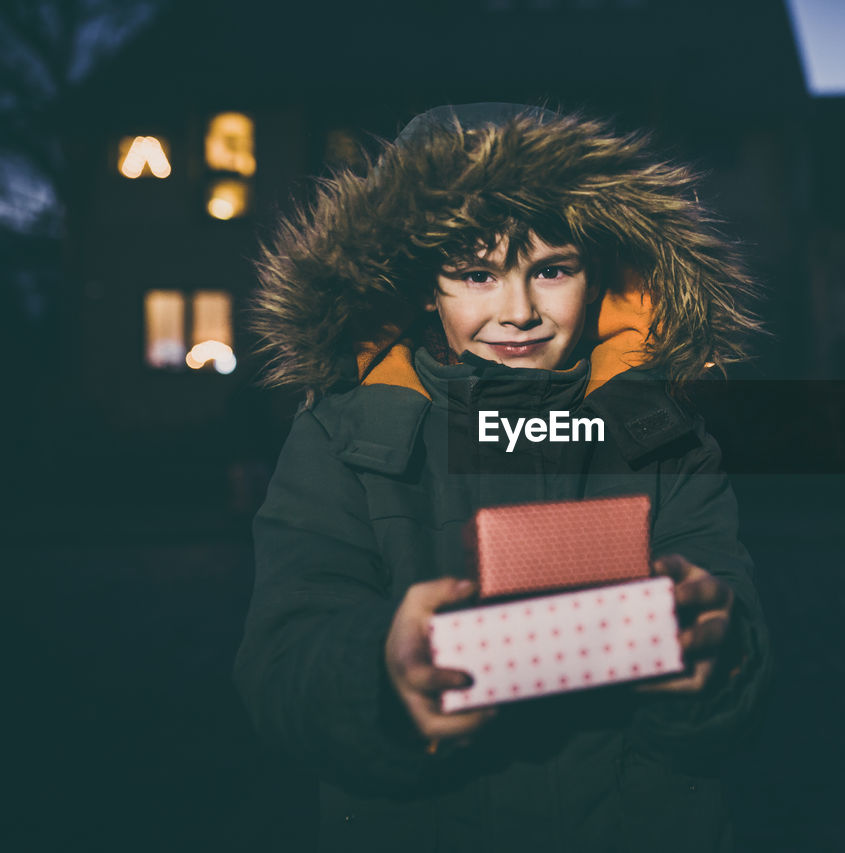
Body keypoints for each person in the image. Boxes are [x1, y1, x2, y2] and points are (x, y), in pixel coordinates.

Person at [233, 101, 773, 852]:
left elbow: (738, 678)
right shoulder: (341, 437)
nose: (517, 310)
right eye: (477, 274)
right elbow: (281, 662)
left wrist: (715, 655)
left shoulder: (666, 441)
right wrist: (381, 673)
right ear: (427, 286)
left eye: (552, 270)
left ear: (602, 273)